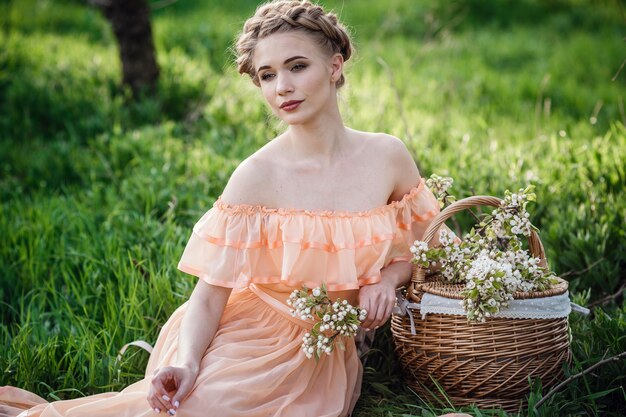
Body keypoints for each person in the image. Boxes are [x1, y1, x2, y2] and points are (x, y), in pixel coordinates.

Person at [0, 1, 452, 416]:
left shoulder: (386, 157)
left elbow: (437, 247)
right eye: (268, 75)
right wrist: (188, 362)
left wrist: (387, 279)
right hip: (246, 333)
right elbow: (210, 294)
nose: (283, 88)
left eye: (297, 67)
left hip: (324, 352)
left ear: (335, 67)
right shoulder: (256, 174)